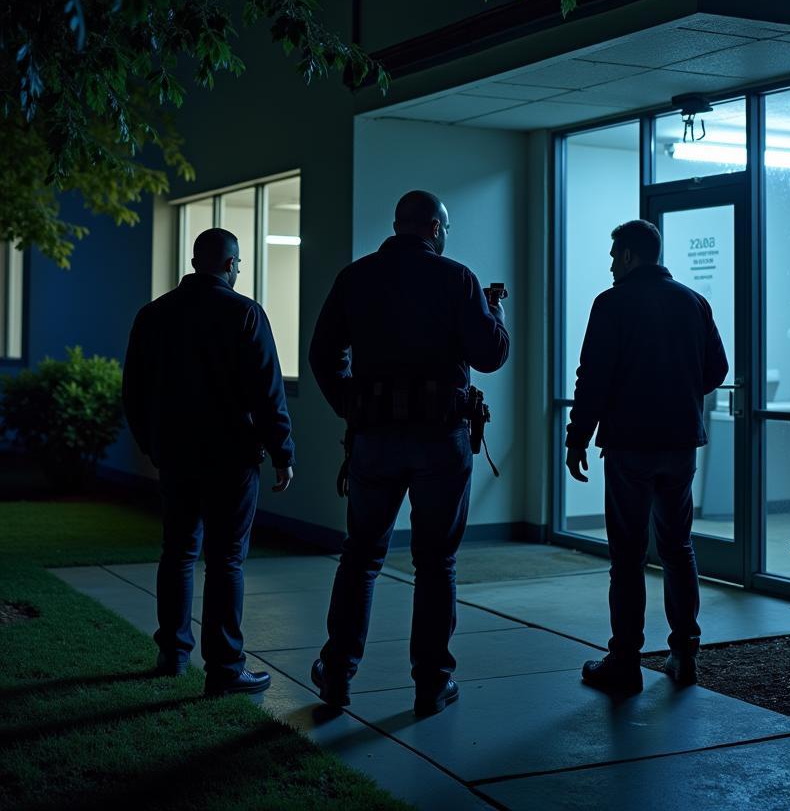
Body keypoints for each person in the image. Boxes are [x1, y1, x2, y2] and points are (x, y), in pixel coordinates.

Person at [308, 190, 509, 716]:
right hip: (442, 441)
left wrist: (352, 405)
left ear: (398, 226)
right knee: (436, 562)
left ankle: (338, 672)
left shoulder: (356, 277)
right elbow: (489, 355)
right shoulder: (456, 278)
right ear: (436, 229)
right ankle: (431, 683)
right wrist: (493, 312)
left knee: (361, 555)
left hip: (374, 440)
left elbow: (322, 354)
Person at [122, 227, 295, 696]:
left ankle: (173, 654)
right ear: (229, 264)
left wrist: (151, 444)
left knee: (177, 552)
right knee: (225, 561)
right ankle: (224, 668)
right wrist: (283, 452)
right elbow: (267, 393)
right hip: (231, 457)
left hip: (175, 455)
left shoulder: (153, 315)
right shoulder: (244, 314)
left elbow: (133, 392)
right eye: (237, 263)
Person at [566, 219, 728, 695]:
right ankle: (684, 654)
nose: (612, 265)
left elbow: (592, 377)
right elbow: (716, 369)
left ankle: (625, 662)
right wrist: (678, 393)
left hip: (630, 446)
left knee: (628, 556)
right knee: (678, 550)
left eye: (616, 256)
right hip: (679, 445)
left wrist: (579, 436)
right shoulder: (693, 302)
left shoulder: (612, 303)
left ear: (632, 256)